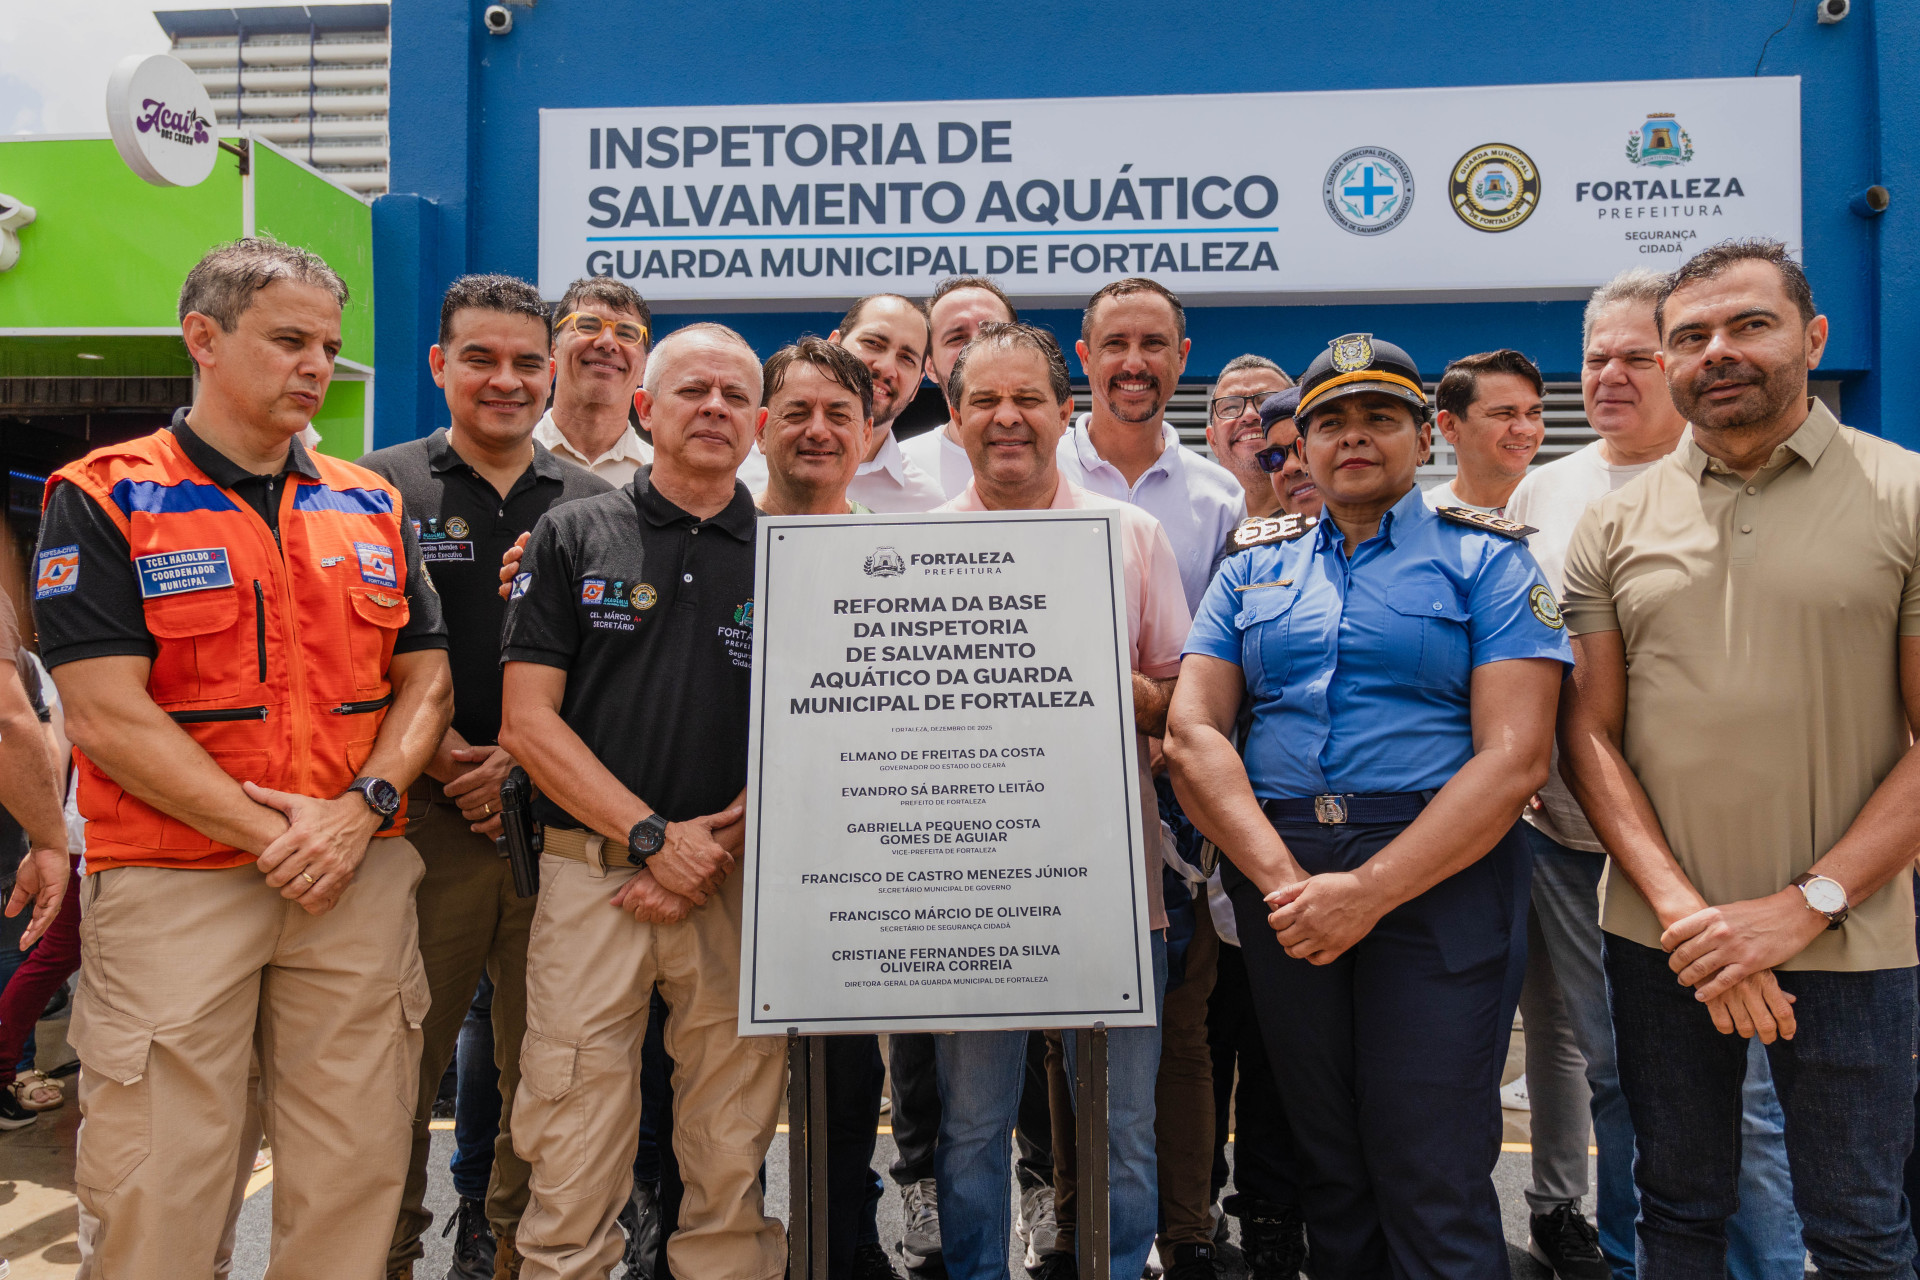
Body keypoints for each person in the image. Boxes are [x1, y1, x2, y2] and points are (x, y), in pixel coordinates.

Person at [32, 237, 453, 1275]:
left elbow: (426, 681)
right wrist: (282, 833)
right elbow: (104, 713)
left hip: (352, 875)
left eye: (330, 346)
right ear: (203, 339)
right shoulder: (104, 494)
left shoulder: (370, 502)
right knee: (158, 1178)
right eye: (289, 340)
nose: (316, 365)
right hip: (178, 881)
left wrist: (357, 812)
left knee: (352, 1164)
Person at [1166, 332, 1571, 1279]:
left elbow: (1515, 760)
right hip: (1287, 878)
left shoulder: (1490, 562)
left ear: (1425, 433)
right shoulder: (1250, 567)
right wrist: (1285, 882)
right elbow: (1194, 733)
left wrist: (1371, 890)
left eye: (1379, 418)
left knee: (1426, 1157)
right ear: (1298, 448)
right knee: (1329, 1163)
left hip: (1440, 870)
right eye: (1331, 422)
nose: (1355, 438)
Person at [1559, 239, 1920, 1277]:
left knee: (1860, 1228)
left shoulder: (1903, 496)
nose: (1719, 351)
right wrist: (1686, 914)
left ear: (1812, 336)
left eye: (1748, 325)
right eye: (1691, 336)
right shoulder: (1613, 522)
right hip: (1663, 937)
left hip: (1852, 936)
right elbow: (1588, 732)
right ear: (1669, 361)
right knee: (1677, 1213)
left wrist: (1804, 903)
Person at [1505, 267, 1802, 1280]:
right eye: (1596, 358)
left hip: (1724, 848)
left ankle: (1769, 1262)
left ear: (1676, 361)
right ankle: (1638, 1256)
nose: (1613, 376)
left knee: (1746, 1089)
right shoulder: (1545, 489)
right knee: (1621, 1074)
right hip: (1574, 845)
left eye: (1637, 354)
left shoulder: (1736, 477)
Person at [499, 322, 784, 1280]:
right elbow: (528, 725)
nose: (714, 408)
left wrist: (709, 850)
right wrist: (654, 838)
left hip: (737, 883)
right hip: (593, 882)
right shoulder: (574, 533)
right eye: (693, 390)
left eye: (735, 397)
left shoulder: (794, 553)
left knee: (731, 1138)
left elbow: (815, 729)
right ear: (644, 408)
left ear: (757, 423)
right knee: (571, 1124)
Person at [360, 274, 613, 1280]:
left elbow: (620, 669)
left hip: (554, 837)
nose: (505, 380)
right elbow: (341, 659)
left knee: (548, 1078)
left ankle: (510, 1249)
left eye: (524, 361)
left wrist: (522, 750)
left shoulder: (598, 503)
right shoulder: (373, 489)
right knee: (389, 1074)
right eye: (481, 358)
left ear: (551, 371)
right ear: (440, 364)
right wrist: (433, 753)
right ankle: (382, 1254)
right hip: (416, 832)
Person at [928, 320, 1189, 1280]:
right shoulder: (911, 553)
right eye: (985, 401)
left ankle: (1117, 1268)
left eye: (1028, 398)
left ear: (1063, 411)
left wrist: (1101, 677)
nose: (1007, 418)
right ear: (954, 421)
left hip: (1111, 890)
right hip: (968, 890)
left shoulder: (1133, 537)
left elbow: (1182, 705)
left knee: (1121, 1125)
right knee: (971, 1125)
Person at [1197, 384, 1317, 1280]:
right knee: (1216, 1042)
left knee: (1291, 1058)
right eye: (1272, 454)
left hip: (1354, 850)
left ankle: (1281, 1217)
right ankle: (1211, 1213)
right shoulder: (1242, 555)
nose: (1290, 466)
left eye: (1297, 446)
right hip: (1237, 843)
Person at [736, 293, 943, 512]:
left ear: (918, 385)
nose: (887, 367)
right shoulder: (737, 466)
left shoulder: (926, 504)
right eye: (873, 343)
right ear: (833, 343)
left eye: (907, 358)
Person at [0, 588, 77, 1130]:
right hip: (70, 834)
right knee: (33, 949)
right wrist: (49, 838)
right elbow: (20, 726)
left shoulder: (33, 666)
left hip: (59, 830)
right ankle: (9, 1067)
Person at [899, 275, 1020, 501]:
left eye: (993, 333)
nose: (976, 347)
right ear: (930, 367)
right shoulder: (900, 467)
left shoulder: (1068, 455)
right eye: (957, 338)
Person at [534, 277, 655, 484]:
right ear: (553, 350)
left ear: (644, 367)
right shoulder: (504, 460)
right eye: (588, 326)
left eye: (626, 333)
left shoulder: (660, 477)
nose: (608, 343)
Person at [1423, 349, 1546, 515]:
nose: (1526, 428)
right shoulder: (1417, 517)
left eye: (1533, 413)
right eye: (1504, 413)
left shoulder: (1574, 512)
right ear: (1449, 426)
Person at [1204, 356, 1294, 520]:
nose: (1249, 415)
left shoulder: (1334, 515)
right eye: (1231, 407)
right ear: (1213, 441)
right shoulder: (1193, 526)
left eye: (1268, 403)